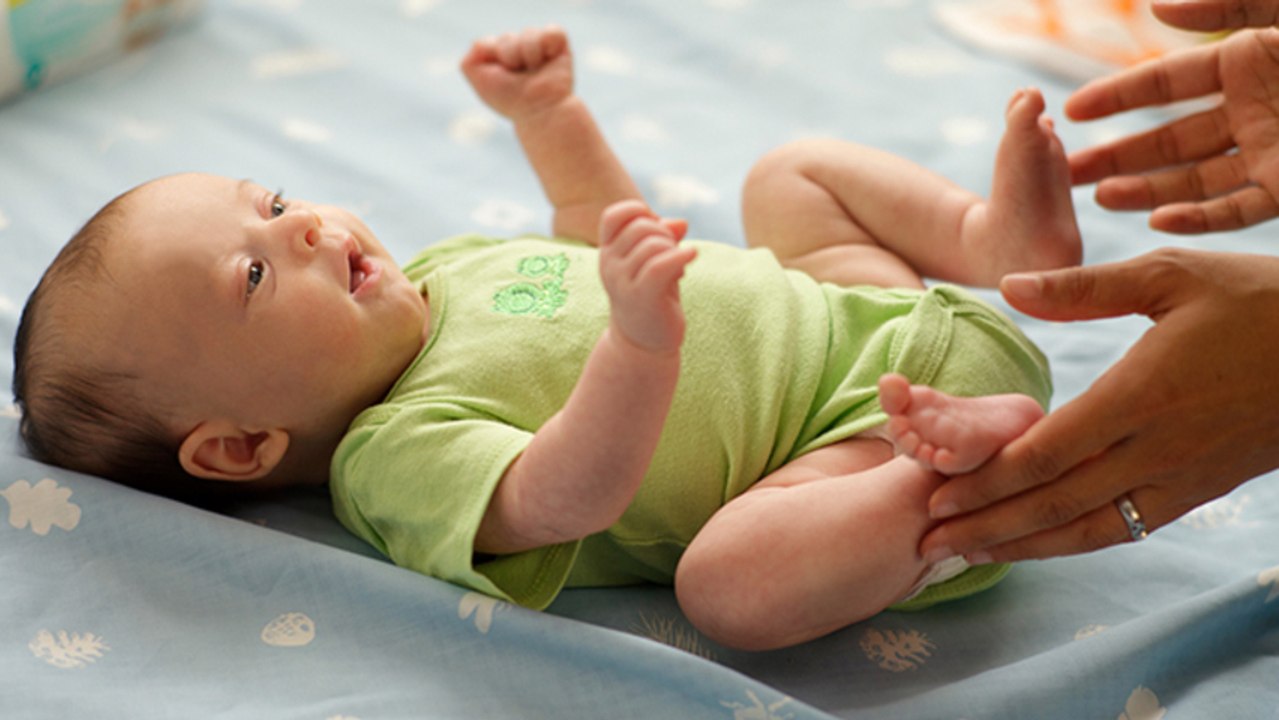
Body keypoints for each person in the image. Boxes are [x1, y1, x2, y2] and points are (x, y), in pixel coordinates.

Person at [12, 25, 1080, 651]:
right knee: (732, 589)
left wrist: (548, 120)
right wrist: (636, 346)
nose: (302, 226)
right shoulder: (393, 458)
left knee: (784, 174)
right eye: (252, 272)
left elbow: (597, 237)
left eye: (275, 201)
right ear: (240, 447)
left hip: (862, 308)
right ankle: (956, 475)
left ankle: (991, 241)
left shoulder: (435, 276)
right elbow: (563, 493)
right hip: (842, 446)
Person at [919, 0, 1279, 569]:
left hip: (850, 396)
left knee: (794, 171)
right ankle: (989, 247)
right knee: (794, 178)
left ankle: (988, 246)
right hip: (844, 321)